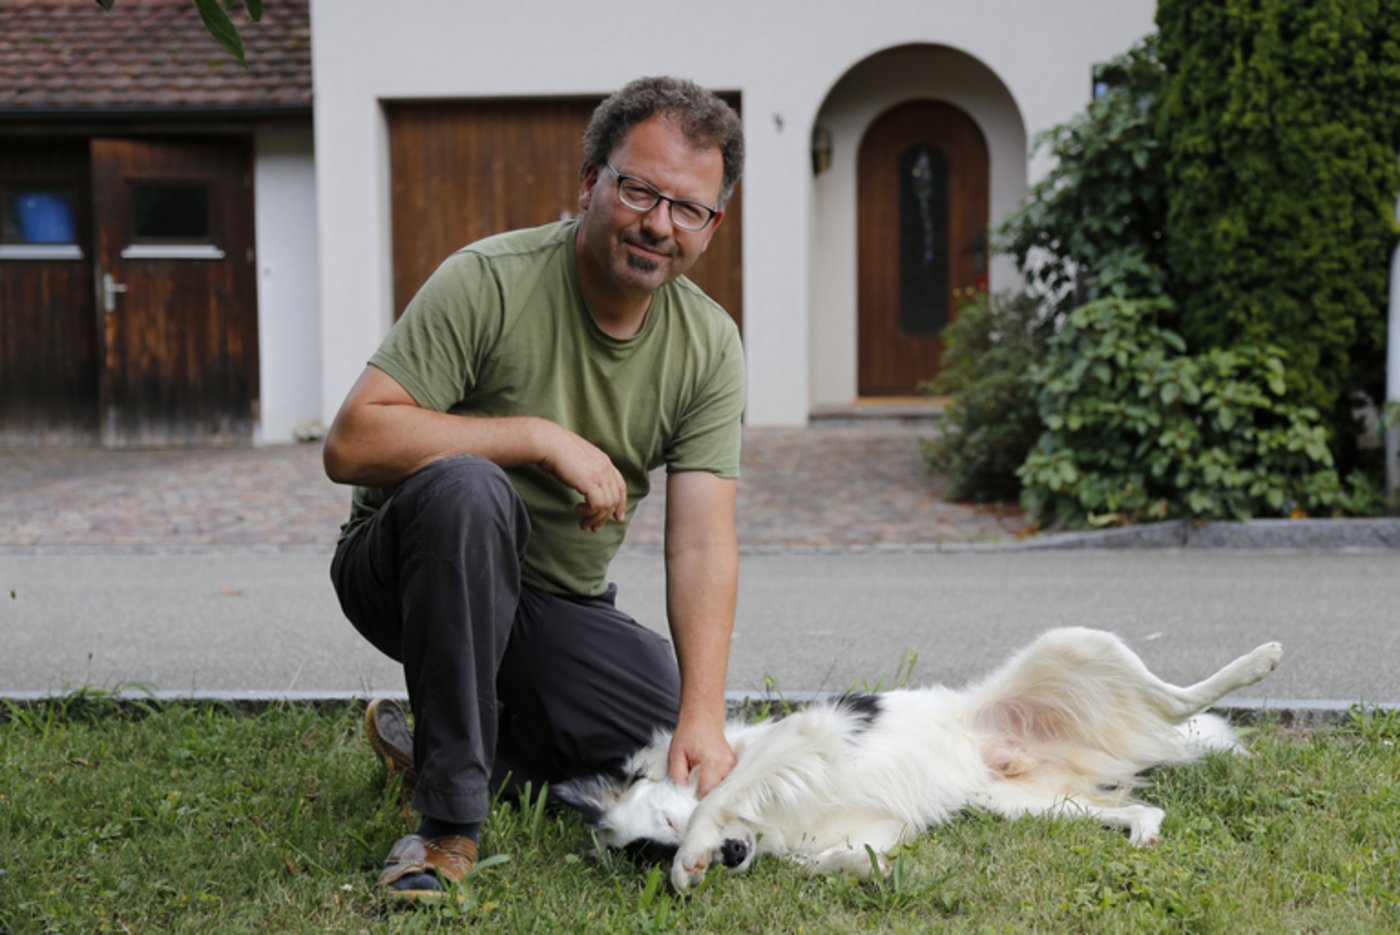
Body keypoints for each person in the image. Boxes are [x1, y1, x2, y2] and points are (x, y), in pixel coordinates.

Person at [322, 75, 746, 900]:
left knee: (657, 726)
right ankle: (445, 826)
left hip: (551, 602)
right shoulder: (489, 279)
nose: (660, 224)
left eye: (688, 208)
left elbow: (703, 540)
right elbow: (352, 440)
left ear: (711, 225)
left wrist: (702, 712)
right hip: (411, 569)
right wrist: (536, 437)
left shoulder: (709, 343)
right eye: (639, 191)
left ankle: (450, 748)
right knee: (470, 488)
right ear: (590, 183)